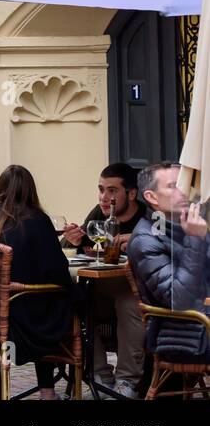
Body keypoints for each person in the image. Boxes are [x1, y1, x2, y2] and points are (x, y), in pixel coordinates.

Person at [0, 165, 75, 400]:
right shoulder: (37, 219)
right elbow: (57, 271)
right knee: (67, 301)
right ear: (30, 190)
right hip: (23, 321)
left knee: (46, 300)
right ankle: (50, 390)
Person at [60, 162, 148, 398]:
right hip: (101, 288)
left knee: (128, 302)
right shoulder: (99, 214)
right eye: (101, 189)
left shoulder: (148, 216)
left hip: (137, 291)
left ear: (131, 193)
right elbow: (72, 247)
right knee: (76, 301)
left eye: (112, 191)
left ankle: (126, 382)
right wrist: (74, 241)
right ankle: (101, 377)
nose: (104, 197)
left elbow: (165, 245)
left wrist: (140, 239)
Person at [128, 162, 210, 364]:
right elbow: (178, 298)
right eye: (173, 186)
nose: (183, 192)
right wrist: (196, 240)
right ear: (152, 197)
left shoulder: (185, 225)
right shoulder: (145, 239)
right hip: (185, 336)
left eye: (184, 185)